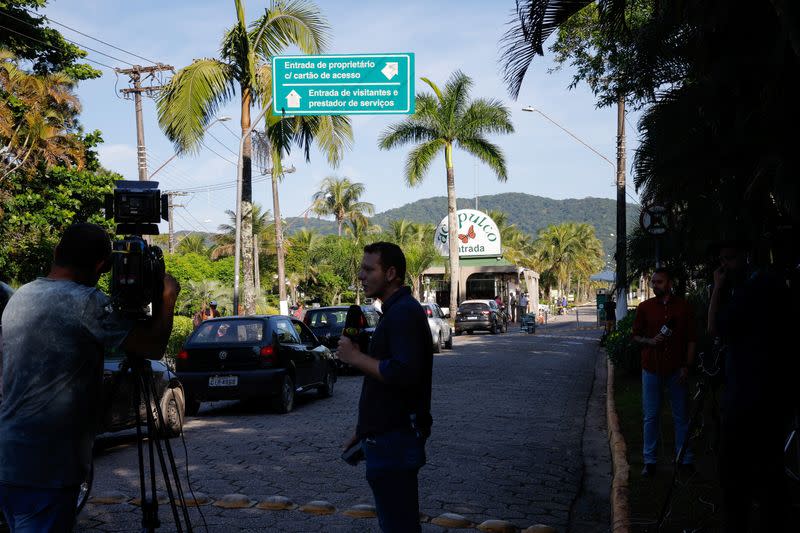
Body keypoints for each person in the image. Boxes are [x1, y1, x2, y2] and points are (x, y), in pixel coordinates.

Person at [0, 223, 180, 532]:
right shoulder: (86, 303)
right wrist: (167, 298)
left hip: (9, 455)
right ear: (102, 266)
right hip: (48, 465)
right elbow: (151, 347)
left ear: (57, 252)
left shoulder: (22, 295)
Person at [337, 242, 433, 533]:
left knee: (399, 526)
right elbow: (387, 383)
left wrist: (355, 357)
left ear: (391, 273)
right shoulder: (394, 312)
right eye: (361, 269)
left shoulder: (403, 313)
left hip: (395, 442)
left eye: (369, 269)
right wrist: (365, 428)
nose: (361, 275)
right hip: (384, 436)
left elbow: (402, 373)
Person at [707, 240, 792, 532]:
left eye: (729, 259)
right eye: (722, 260)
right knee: (770, 470)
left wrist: (717, 288)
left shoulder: (750, 291)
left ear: (746, 256)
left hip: (747, 397)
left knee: (733, 471)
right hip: (773, 395)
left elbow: (714, 327)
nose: (724, 268)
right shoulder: (774, 285)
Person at [631, 268, 696, 477]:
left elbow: (691, 339)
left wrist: (687, 365)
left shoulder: (683, 307)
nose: (655, 285)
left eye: (659, 282)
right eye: (653, 282)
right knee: (651, 416)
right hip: (652, 368)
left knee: (681, 416)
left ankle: (684, 458)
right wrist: (649, 341)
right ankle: (649, 460)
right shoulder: (645, 307)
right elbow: (635, 336)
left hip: (677, 369)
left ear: (669, 283)